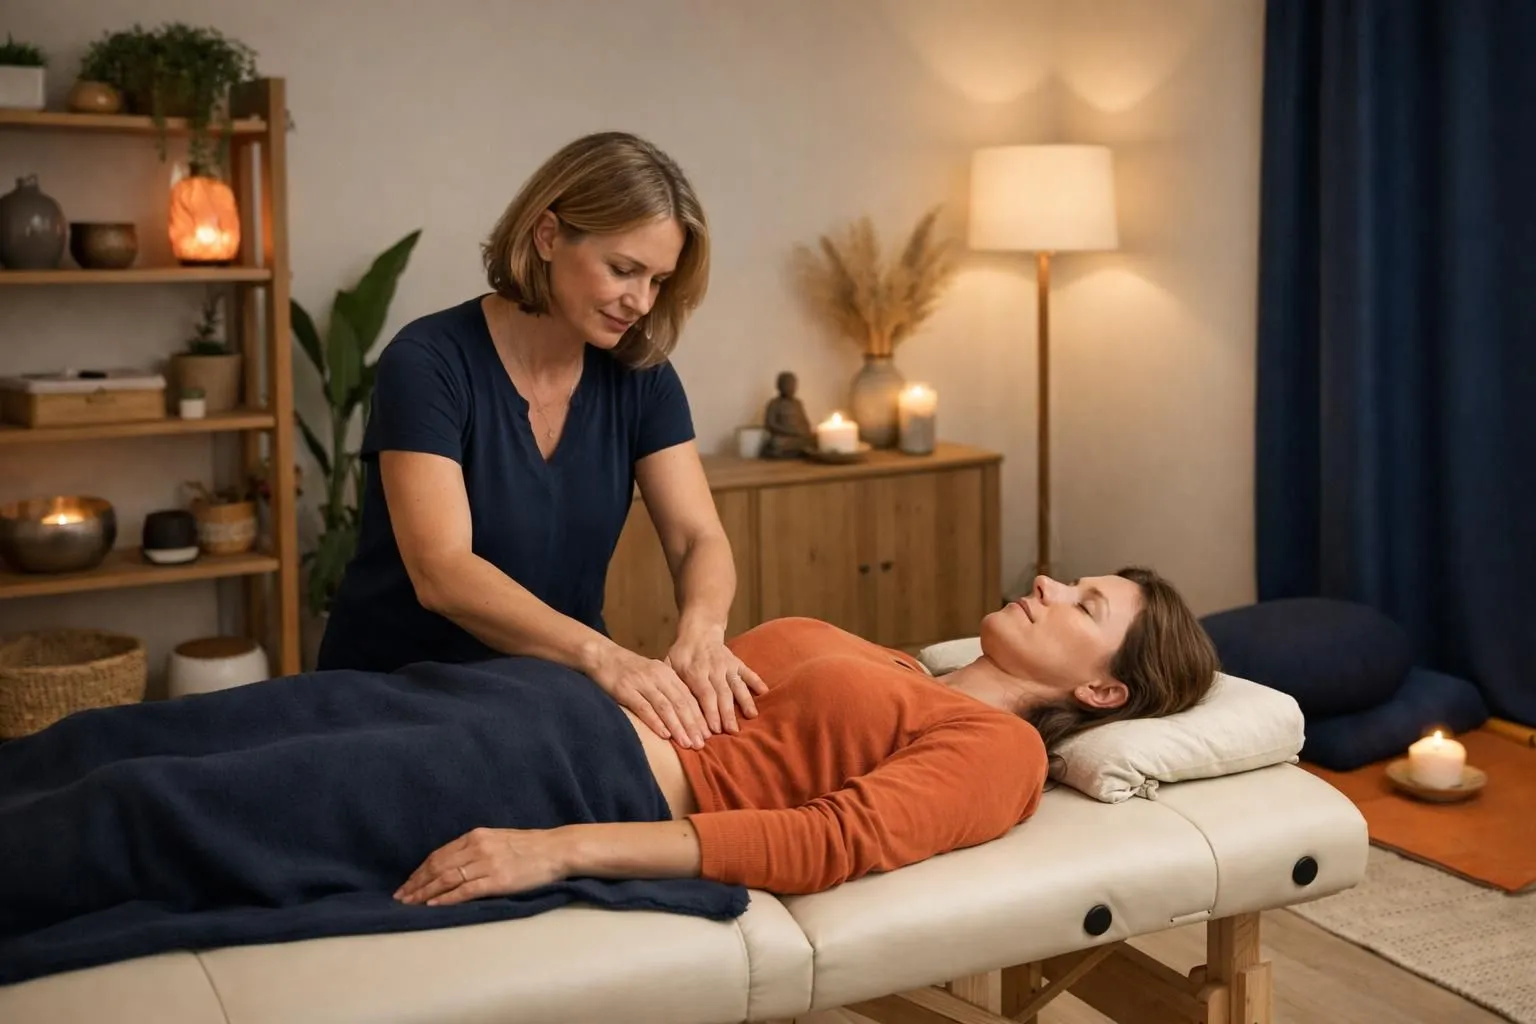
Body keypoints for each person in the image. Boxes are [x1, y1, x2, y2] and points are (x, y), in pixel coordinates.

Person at [1, 568, 1217, 945]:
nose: (1048, 580)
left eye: (1086, 602)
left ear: (1102, 689)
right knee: (140, 731)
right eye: (1072, 575)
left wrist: (556, 849)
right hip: (522, 700)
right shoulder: (904, 665)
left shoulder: (998, 750)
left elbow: (828, 841)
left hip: (559, 778)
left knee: (158, 804)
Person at [317, 131, 763, 752]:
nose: (640, 301)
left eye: (658, 280)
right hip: (397, 698)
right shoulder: (427, 362)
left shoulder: (641, 376)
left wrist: (703, 633)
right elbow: (443, 571)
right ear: (548, 236)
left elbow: (697, 538)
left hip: (548, 699)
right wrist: (604, 657)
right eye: (623, 269)